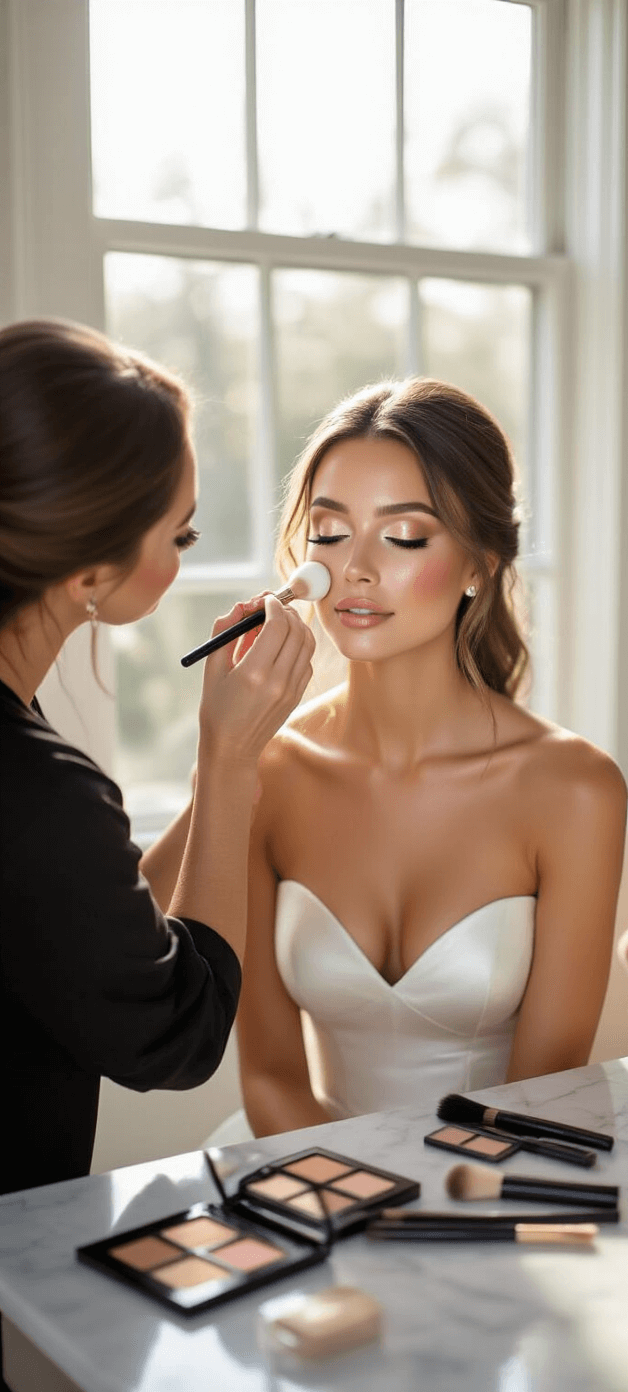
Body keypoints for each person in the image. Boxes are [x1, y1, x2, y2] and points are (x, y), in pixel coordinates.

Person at [218, 376, 628, 1140]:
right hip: (306, 1172)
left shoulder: (575, 790)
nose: (358, 569)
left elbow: (538, 1095)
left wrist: (412, 1235)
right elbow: (270, 1077)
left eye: (404, 536)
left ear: (479, 564)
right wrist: (349, 1207)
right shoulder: (270, 772)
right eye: (330, 532)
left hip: (494, 1186)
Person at [0, 318, 315, 1198]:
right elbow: (179, 1036)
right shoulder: (37, 790)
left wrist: (217, 776)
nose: (185, 558)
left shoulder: (40, 800)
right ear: (92, 570)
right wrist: (229, 764)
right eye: (181, 537)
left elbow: (76, 914)